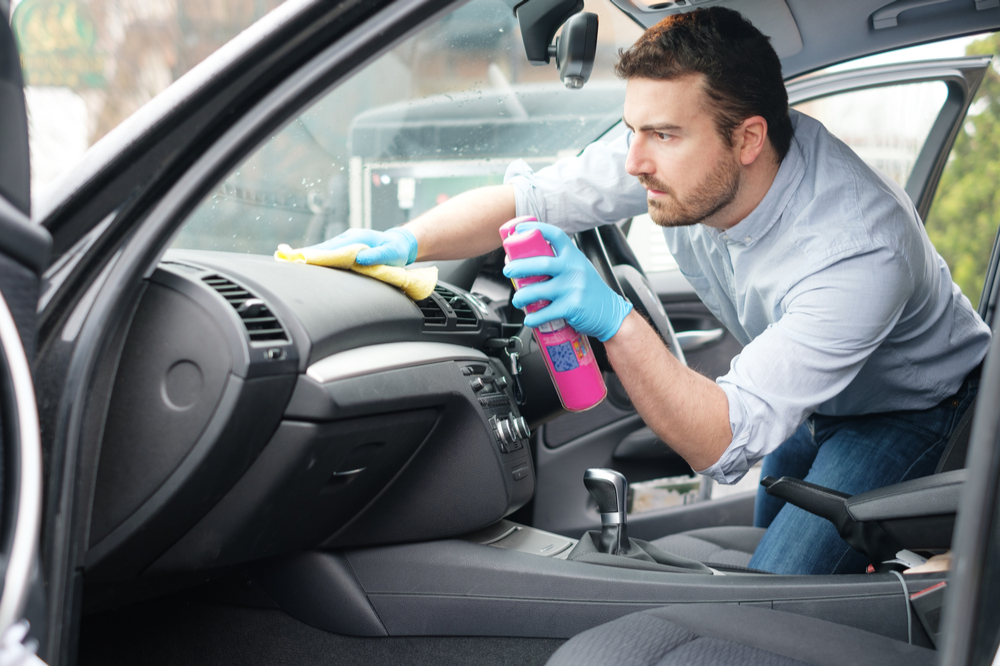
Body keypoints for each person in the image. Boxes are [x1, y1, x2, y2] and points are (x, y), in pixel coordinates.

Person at [315, 7, 991, 574]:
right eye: (634, 129)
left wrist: (614, 319)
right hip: (817, 399)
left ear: (749, 138)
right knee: (767, 554)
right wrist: (403, 243)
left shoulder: (858, 248)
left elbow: (719, 444)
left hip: (914, 407)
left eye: (662, 135)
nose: (635, 161)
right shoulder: (675, 154)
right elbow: (528, 198)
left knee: (780, 592)